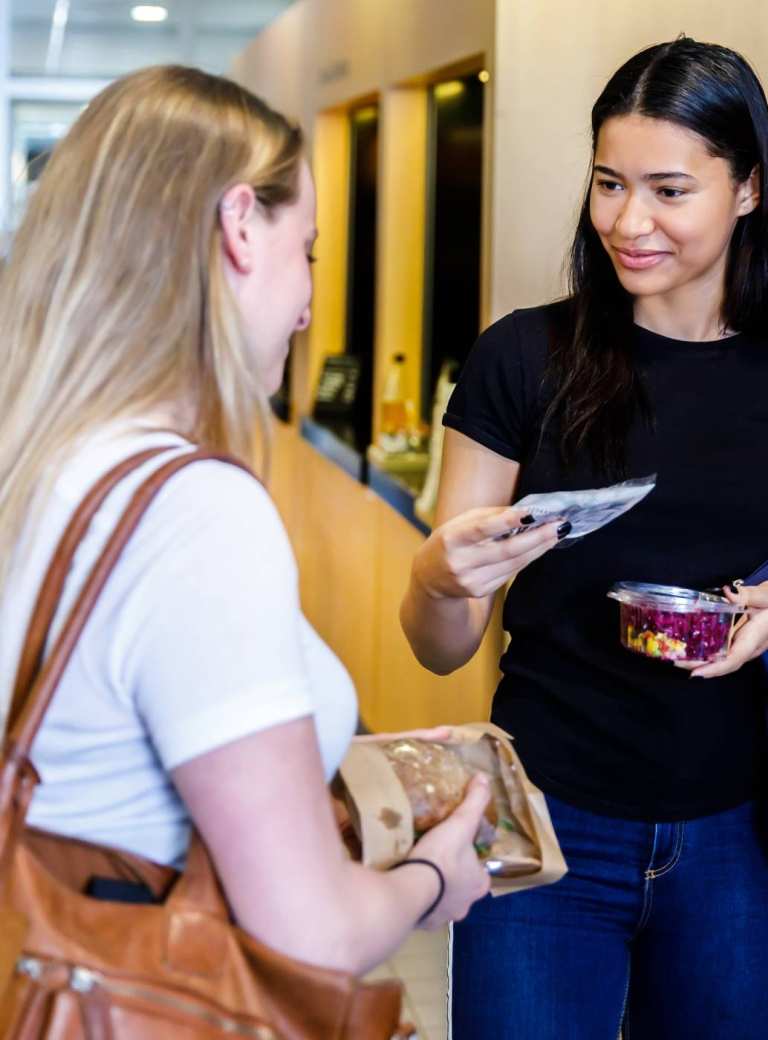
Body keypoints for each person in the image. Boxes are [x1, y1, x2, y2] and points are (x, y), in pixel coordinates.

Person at [401, 38, 768, 1039]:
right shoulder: (521, 357)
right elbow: (442, 640)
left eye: (667, 189)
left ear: (745, 189)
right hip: (544, 824)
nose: (626, 221)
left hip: (743, 838)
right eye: (607, 183)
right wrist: (435, 574)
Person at [0, 64, 490, 977]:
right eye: (306, 248)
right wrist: (435, 871)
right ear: (237, 227)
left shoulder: (44, 457)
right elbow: (311, 930)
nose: (309, 302)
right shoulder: (194, 513)